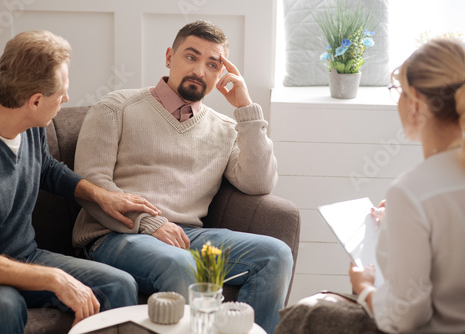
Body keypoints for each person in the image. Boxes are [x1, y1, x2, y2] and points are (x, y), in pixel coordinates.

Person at [72, 20, 293, 333]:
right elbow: (90, 184)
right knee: (180, 263)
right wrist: (152, 223)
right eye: (191, 57)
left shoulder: (225, 129)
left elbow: (259, 183)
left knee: (276, 255)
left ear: (222, 74)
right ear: (168, 57)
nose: (200, 71)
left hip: (187, 236)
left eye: (212, 64)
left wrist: (245, 108)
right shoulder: (116, 107)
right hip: (116, 235)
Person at [0, 30, 160, 333]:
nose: (66, 99)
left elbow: (46, 169)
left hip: (26, 256)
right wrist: (54, 278)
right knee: (3, 308)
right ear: (35, 100)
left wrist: (101, 195)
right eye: (62, 93)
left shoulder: (29, 122)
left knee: (118, 284)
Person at [275, 38, 465, 334]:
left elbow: (405, 317)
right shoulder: (418, 196)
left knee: (302, 315)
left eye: (398, 92)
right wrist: (401, 223)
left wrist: (362, 287)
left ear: (414, 101)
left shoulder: (411, 193)